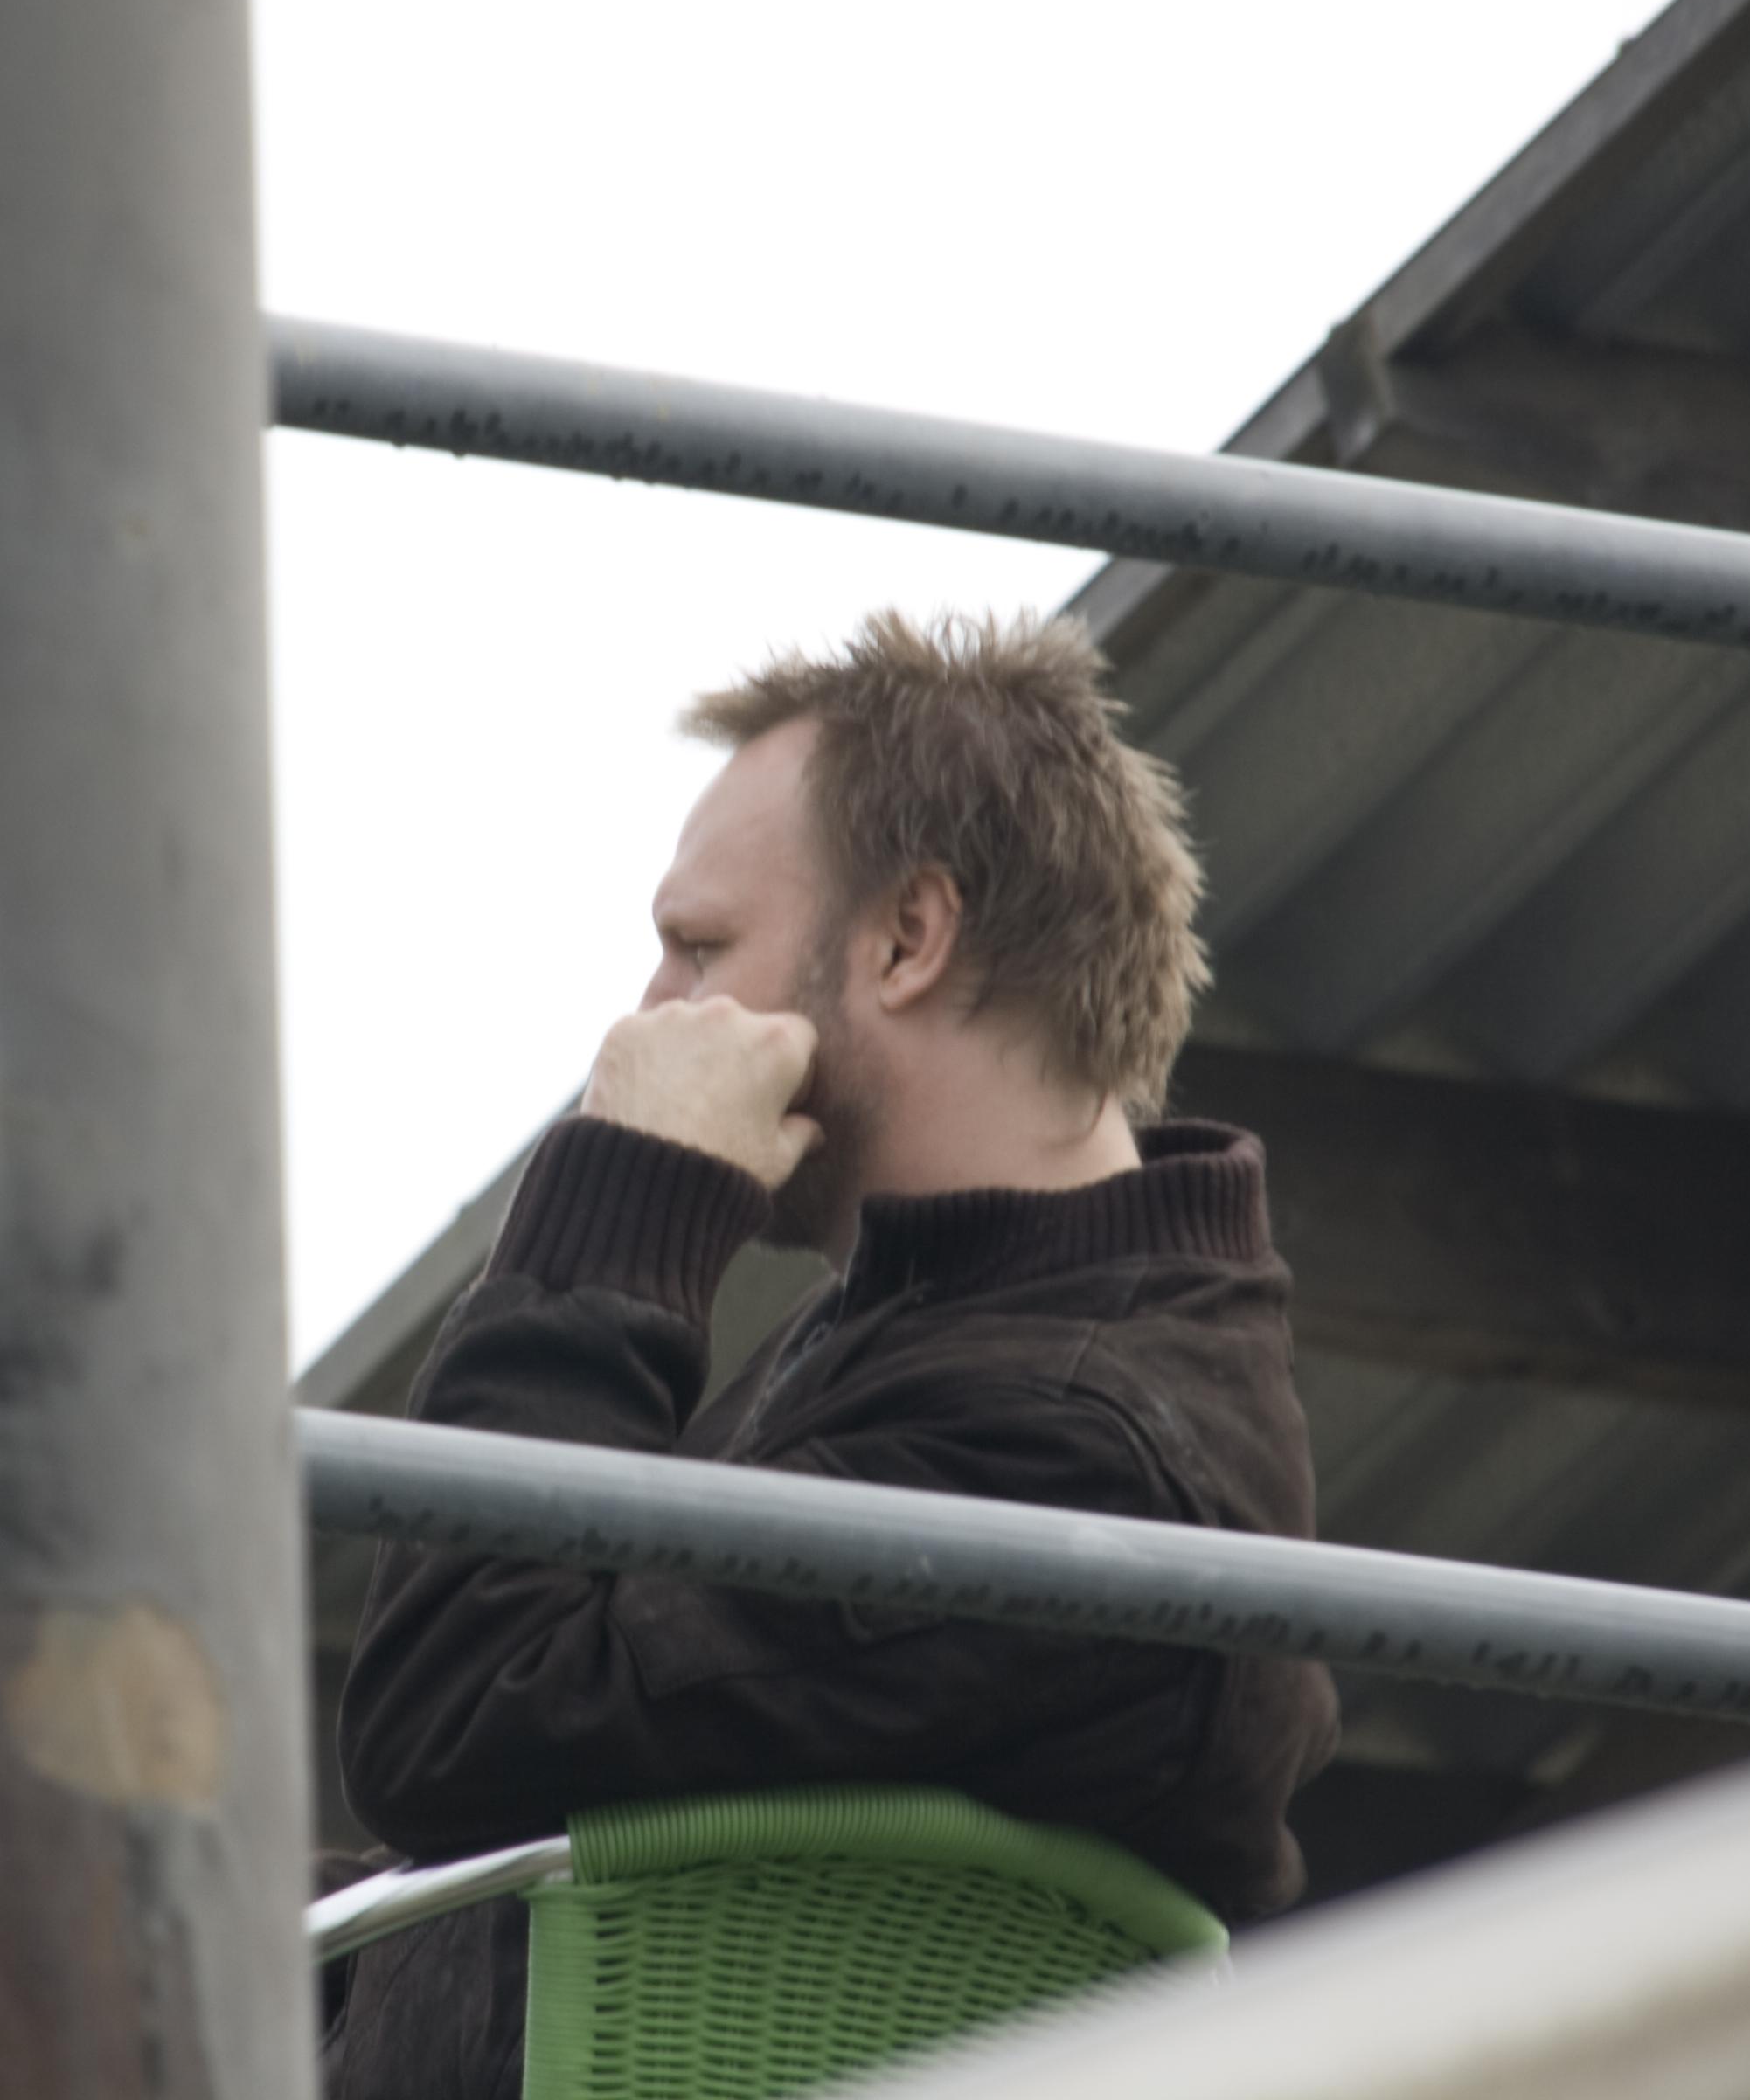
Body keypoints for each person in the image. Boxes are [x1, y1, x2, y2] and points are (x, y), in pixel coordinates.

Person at [317, 610, 1341, 2100]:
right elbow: (503, 1789)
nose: (648, 1017)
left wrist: (623, 1200)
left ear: (907, 939)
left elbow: (460, 1719)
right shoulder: (940, 1335)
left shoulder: (1076, 1452)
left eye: (697, 949)